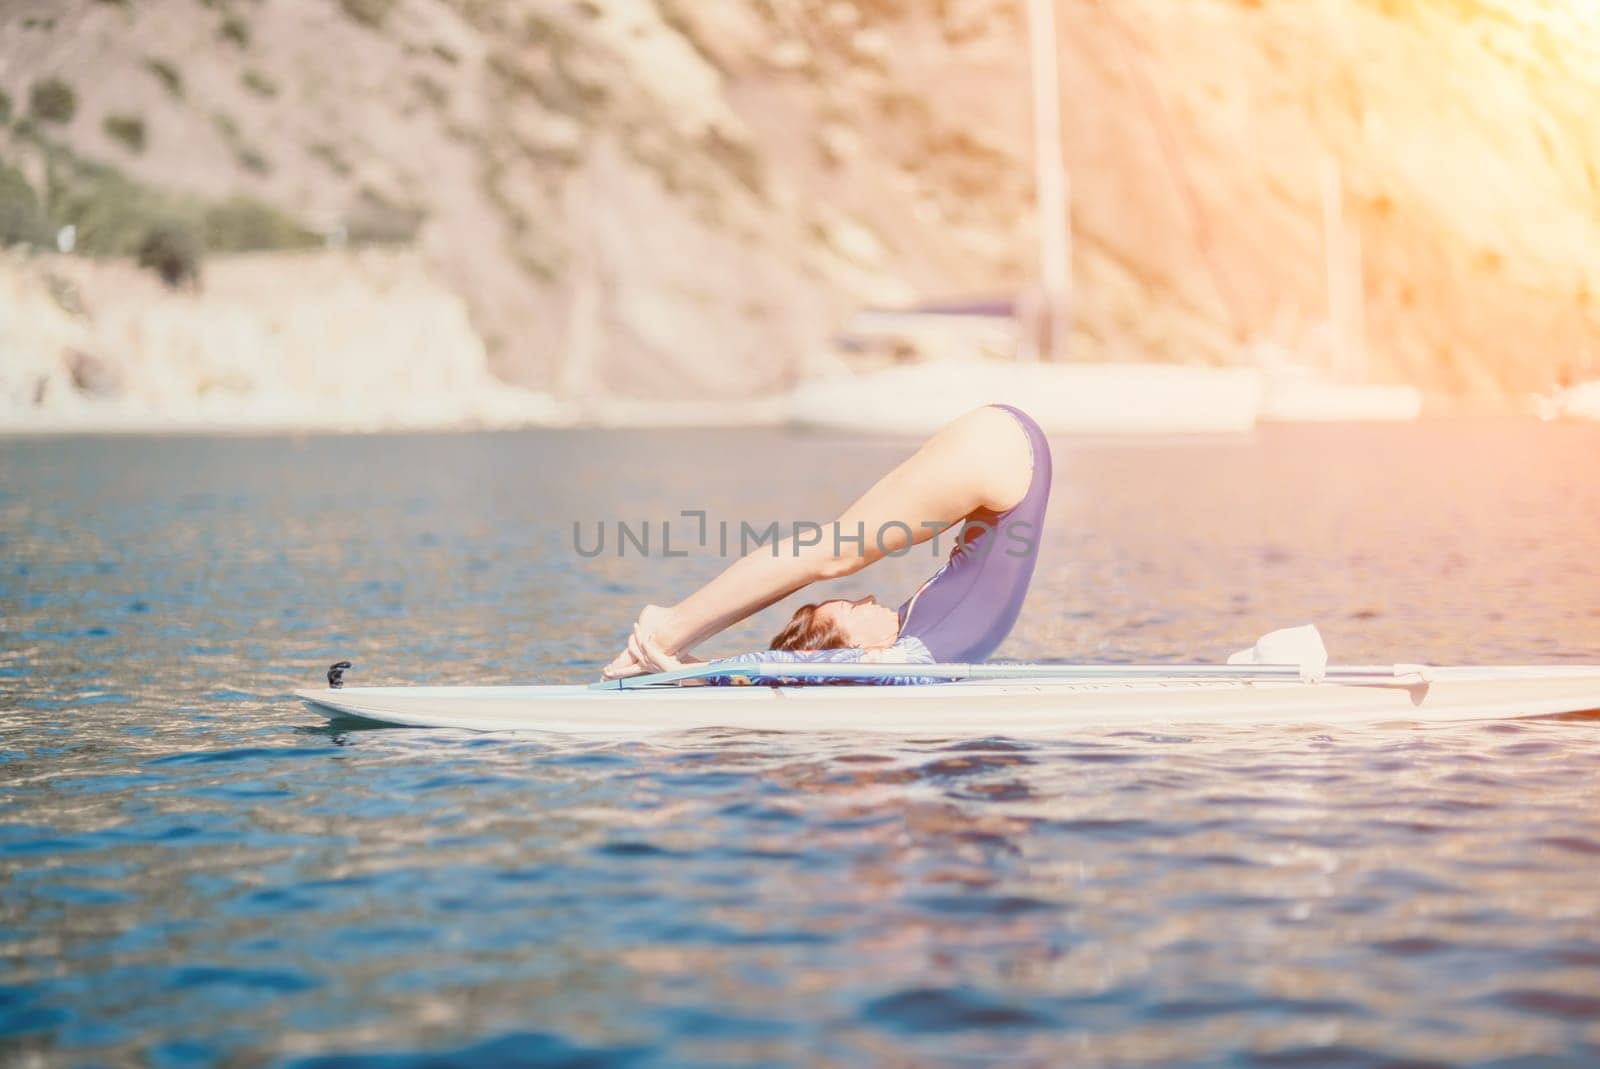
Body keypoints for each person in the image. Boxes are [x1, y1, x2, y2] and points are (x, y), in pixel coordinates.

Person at [602, 404, 1052, 679]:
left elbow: (797, 670)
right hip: (1000, 454)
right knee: (836, 550)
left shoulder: (914, 649)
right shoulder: (909, 650)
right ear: (858, 653)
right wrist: (697, 675)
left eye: (852, 606)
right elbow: (810, 670)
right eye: (854, 610)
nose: (871, 598)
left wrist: (699, 674)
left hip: (999, 453)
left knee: (838, 552)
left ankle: (668, 628)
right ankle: (668, 632)